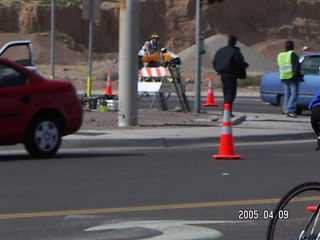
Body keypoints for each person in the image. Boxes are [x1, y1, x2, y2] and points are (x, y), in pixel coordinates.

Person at [213, 34, 249, 117]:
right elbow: (239, 63)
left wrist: (219, 70)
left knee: (226, 92)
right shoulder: (235, 52)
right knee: (231, 93)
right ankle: (227, 111)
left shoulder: (221, 51)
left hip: (223, 74)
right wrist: (244, 65)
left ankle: (226, 110)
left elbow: (215, 62)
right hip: (231, 75)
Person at [277, 40, 304, 118]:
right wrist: (299, 77)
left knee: (287, 94)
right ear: (292, 47)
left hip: (284, 76)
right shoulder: (292, 55)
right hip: (292, 77)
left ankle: (286, 110)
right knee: (294, 95)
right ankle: (290, 110)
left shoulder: (281, 55)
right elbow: (296, 67)